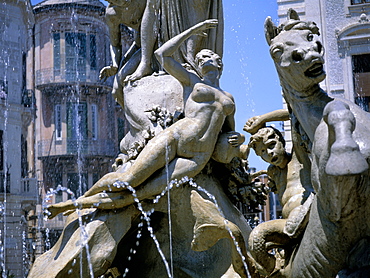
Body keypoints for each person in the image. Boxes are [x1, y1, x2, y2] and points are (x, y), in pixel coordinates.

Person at [47, 19, 244, 218]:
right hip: (176, 136)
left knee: (139, 194)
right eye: (199, 58)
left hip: (198, 157)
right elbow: (162, 55)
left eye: (208, 55)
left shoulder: (229, 98)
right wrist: (191, 31)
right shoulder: (192, 81)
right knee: (128, 180)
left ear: (220, 63)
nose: (203, 59)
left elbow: (229, 131)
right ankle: (78, 203)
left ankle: (71, 206)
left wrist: (240, 139)